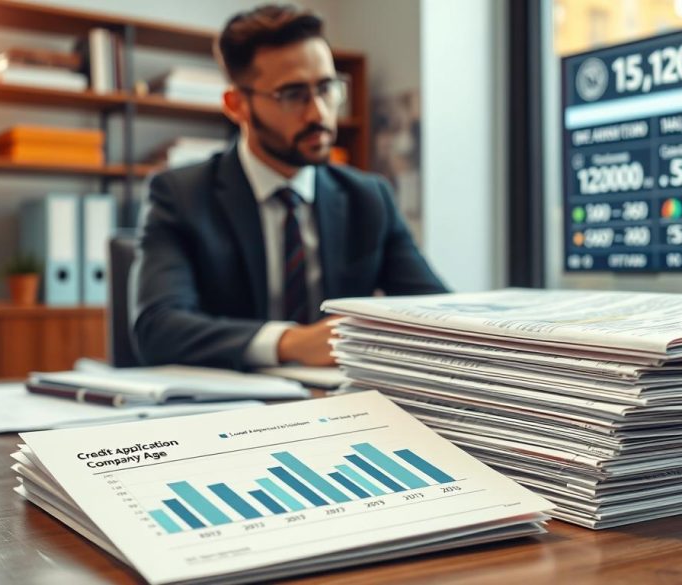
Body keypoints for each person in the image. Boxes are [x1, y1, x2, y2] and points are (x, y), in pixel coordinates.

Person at [130, 4, 447, 370]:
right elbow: (158, 329)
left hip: (341, 406)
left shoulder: (369, 198)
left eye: (327, 88)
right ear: (237, 106)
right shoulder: (180, 195)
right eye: (293, 94)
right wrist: (291, 342)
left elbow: (435, 313)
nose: (319, 114)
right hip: (230, 412)